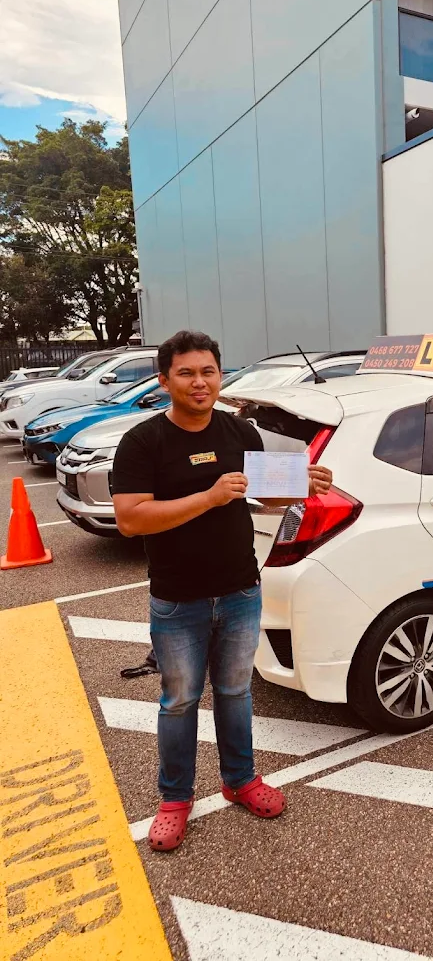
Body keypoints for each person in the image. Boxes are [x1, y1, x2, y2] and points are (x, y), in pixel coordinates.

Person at [112, 331, 332, 851]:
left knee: (235, 693)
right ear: (164, 380)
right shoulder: (144, 443)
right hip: (177, 598)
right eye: (186, 373)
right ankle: (174, 800)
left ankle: (240, 780)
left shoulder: (240, 431)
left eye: (208, 371)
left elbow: (261, 493)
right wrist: (208, 497)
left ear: (220, 375)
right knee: (179, 700)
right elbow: (129, 518)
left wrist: (302, 484)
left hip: (239, 590)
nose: (199, 382)